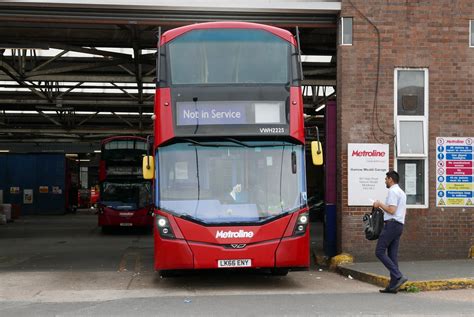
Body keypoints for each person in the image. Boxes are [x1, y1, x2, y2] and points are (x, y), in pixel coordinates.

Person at [373, 170, 408, 294]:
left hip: (392, 225)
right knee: (392, 255)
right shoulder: (402, 193)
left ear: (391, 179)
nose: (385, 181)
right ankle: (393, 286)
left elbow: (392, 210)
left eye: (386, 179)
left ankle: (398, 276)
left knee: (379, 251)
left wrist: (379, 204)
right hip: (398, 225)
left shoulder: (393, 191)